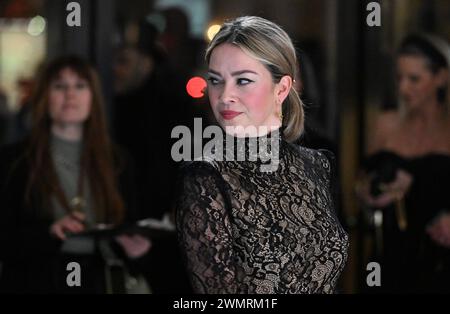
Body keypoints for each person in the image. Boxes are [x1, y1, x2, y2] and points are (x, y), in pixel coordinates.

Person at [175, 16, 349, 294]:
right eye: (216, 81)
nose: (225, 95)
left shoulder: (318, 164)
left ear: (281, 88)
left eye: (243, 80)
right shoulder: (206, 178)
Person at [0, 56, 151, 293]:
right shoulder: (14, 160)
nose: (70, 95)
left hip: (101, 282)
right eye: (60, 86)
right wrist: (48, 232)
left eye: (80, 86)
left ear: (93, 98)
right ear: (44, 97)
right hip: (37, 281)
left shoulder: (118, 161)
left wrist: (135, 248)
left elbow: (128, 225)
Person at [356, 33, 450, 292]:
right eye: (399, 78)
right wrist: (369, 193)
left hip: (439, 264)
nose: (403, 88)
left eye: (414, 79)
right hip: (388, 256)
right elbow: (361, 182)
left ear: (441, 77)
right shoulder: (386, 123)